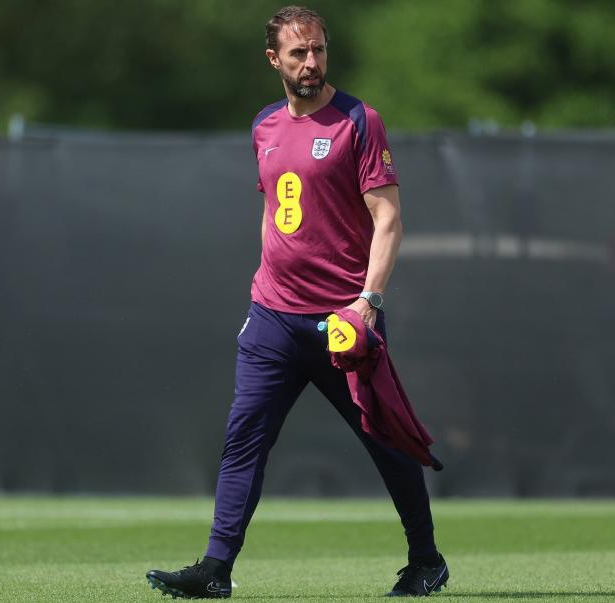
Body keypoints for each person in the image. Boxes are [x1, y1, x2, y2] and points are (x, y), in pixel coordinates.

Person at [146, 5, 447, 598]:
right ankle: (216, 570)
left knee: (384, 436)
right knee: (244, 436)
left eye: (319, 50)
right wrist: (266, 275)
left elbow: (387, 219)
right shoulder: (264, 125)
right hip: (273, 318)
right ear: (273, 60)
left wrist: (368, 303)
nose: (311, 62)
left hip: (341, 318)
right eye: (298, 53)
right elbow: (273, 211)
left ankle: (426, 559)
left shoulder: (359, 120)